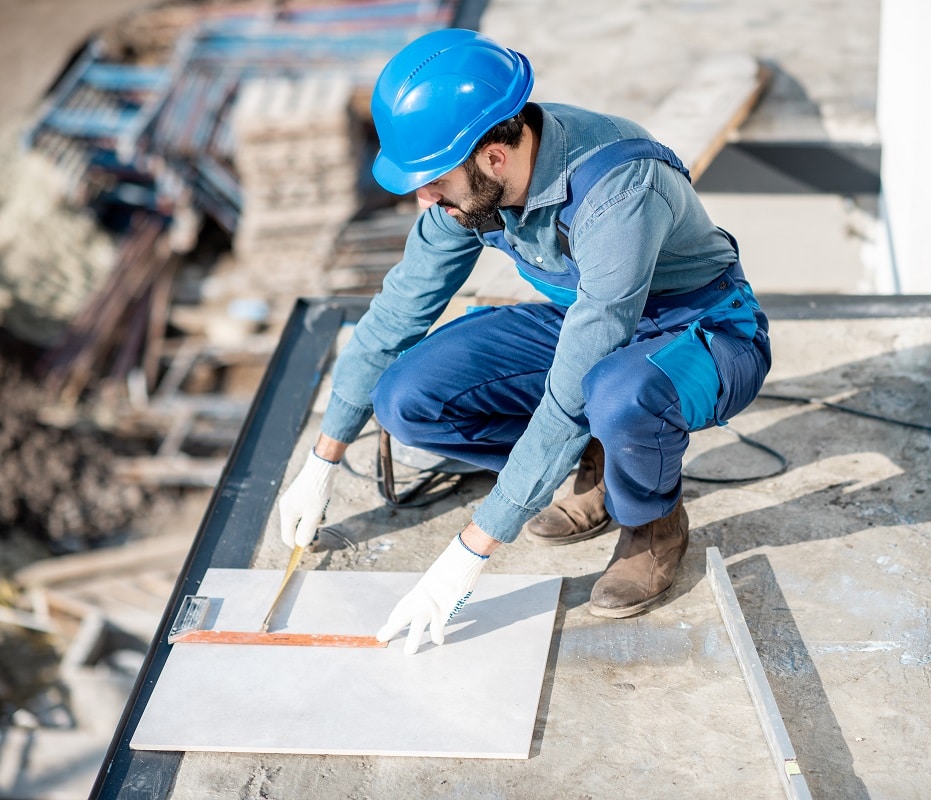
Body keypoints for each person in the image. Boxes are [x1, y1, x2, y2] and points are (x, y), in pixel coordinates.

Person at [277, 28, 771, 654]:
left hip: (703, 331)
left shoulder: (619, 190)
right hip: (591, 326)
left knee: (617, 393)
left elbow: (576, 385)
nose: (424, 198)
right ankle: (598, 460)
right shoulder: (472, 193)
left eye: (433, 180)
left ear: (493, 158)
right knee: (405, 398)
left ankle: (653, 525)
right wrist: (321, 458)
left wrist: (472, 548)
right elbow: (398, 310)